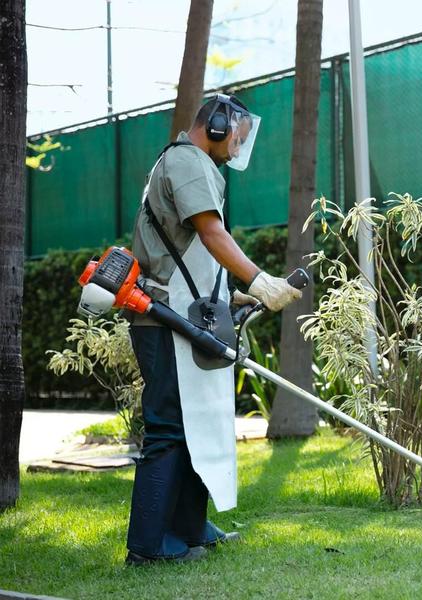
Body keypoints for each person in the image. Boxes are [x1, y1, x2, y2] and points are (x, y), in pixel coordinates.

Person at [125, 94, 301, 565]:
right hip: (162, 319)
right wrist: (257, 279)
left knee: (194, 426)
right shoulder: (187, 161)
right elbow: (210, 233)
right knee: (168, 428)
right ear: (218, 124)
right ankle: (148, 547)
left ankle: (188, 530)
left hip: (185, 314)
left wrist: (230, 295)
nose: (241, 144)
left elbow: (194, 256)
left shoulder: (195, 164)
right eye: (238, 135)